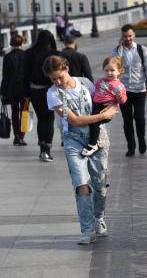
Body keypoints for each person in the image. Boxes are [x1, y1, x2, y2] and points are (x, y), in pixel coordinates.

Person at [44, 55, 118, 245]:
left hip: (98, 139)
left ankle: (99, 217)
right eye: (53, 79)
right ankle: (87, 229)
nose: (58, 82)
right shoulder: (53, 94)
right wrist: (103, 116)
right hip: (73, 141)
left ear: (67, 68)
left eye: (60, 76)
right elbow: (75, 120)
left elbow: (103, 100)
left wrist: (110, 108)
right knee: (81, 184)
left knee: (100, 185)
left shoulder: (85, 83)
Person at [112, 24, 147, 157]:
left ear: (134, 35)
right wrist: (120, 48)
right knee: (127, 119)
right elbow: (115, 66)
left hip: (139, 89)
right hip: (123, 91)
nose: (127, 38)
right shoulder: (117, 51)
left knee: (140, 118)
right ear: (121, 37)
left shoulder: (142, 50)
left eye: (130, 36)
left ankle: (141, 139)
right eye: (125, 36)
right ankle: (131, 146)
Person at [24, 29, 59, 162]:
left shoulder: (29, 53)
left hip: (34, 90)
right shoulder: (54, 54)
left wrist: (26, 94)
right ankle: (47, 151)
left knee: (41, 119)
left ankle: (42, 150)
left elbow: (24, 75)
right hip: (51, 90)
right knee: (49, 119)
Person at [82, 56, 127, 156]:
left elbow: (123, 100)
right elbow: (95, 93)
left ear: (119, 71)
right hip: (95, 105)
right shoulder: (100, 81)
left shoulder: (119, 85)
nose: (109, 73)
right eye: (106, 70)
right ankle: (95, 138)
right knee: (88, 120)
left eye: (112, 70)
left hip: (105, 108)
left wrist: (119, 98)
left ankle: (93, 144)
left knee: (93, 122)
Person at [0, 34, 27, 146]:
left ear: (11, 43)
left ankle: (16, 136)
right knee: (24, 112)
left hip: (12, 89)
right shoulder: (26, 55)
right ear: (22, 43)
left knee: (15, 112)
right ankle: (22, 136)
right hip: (25, 89)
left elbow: (5, 76)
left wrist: (2, 91)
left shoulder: (7, 57)